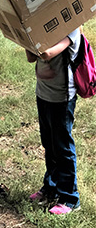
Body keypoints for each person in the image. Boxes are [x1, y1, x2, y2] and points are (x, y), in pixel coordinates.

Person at [25, 28, 81, 215]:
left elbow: (47, 53)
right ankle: (50, 188)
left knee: (62, 147)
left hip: (62, 97)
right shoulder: (45, 26)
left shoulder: (72, 29)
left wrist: (29, 36)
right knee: (49, 144)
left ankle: (70, 198)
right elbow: (31, 57)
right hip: (43, 93)